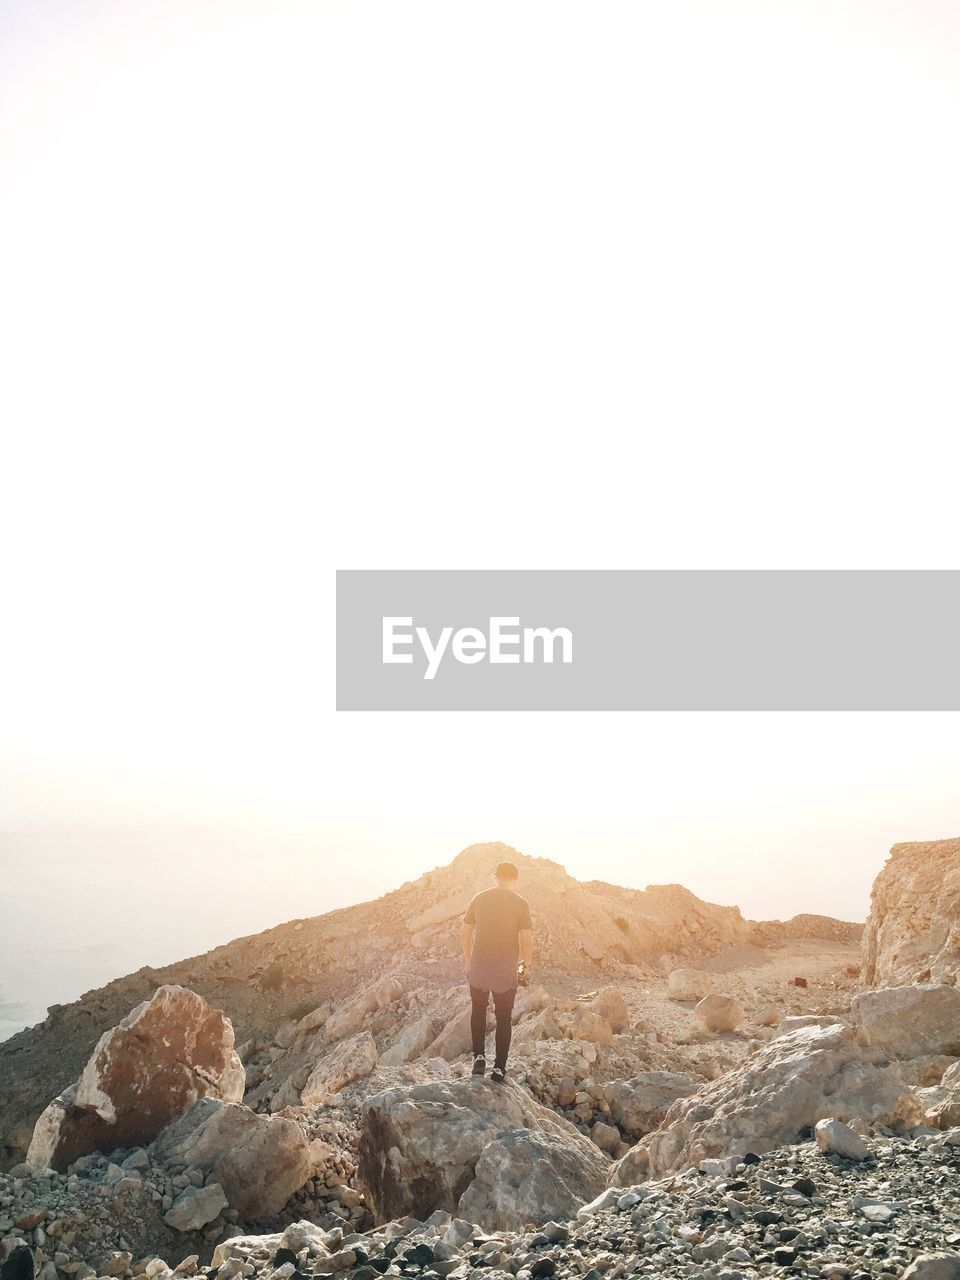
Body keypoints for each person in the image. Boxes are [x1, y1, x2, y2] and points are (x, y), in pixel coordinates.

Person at [460, 860, 533, 1082]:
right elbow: (526, 940)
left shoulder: (479, 898)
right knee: (503, 1018)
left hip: (479, 968)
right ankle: (499, 1068)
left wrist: (468, 960)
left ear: (496, 877)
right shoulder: (521, 904)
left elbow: (465, 933)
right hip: (505, 971)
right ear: (515, 880)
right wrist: (525, 966)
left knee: (478, 1010)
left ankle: (479, 1058)